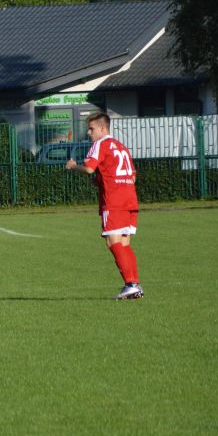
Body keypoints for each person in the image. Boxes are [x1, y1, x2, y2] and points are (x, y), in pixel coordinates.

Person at [66, 111, 143, 299]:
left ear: (102, 128)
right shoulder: (121, 146)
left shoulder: (100, 144)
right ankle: (135, 285)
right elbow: (132, 176)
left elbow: (89, 168)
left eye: (91, 129)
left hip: (114, 201)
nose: (89, 133)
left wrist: (73, 166)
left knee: (112, 242)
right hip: (130, 199)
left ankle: (130, 284)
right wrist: (102, 181)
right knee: (124, 243)